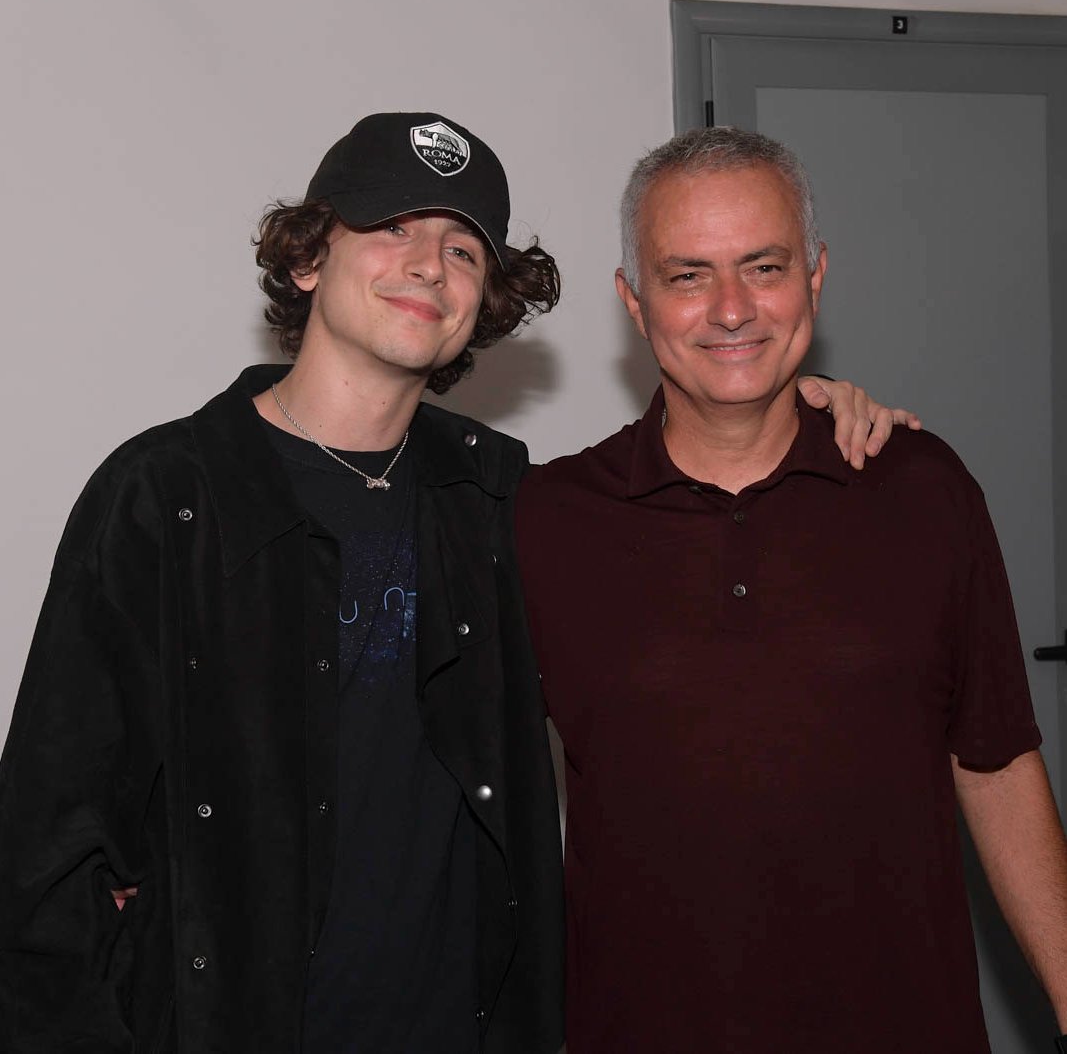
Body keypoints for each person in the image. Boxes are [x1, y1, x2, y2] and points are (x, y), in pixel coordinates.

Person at [0, 110, 902, 1052]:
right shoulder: (167, 495)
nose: (429, 263)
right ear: (309, 258)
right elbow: (44, 853)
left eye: (464, 249)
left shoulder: (503, 495)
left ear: (486, 302)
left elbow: (670, 498)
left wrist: (790, 399)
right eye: (393, 226)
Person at [516, 126, 1067, 1053]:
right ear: (633, 300)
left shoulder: (923, 489)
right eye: (687, 274)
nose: (731, 309)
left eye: (762, 267)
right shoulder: (546, 519)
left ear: (814, 277)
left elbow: (996, 761)